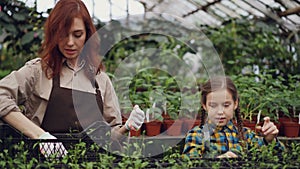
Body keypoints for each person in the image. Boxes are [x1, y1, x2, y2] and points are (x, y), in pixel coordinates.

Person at [0, 0, 144, 157]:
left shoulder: (100, 80)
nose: (70, 43)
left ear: (88, 35)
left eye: (77, 35)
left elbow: (110, 138)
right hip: (42, 162)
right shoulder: (38, 71)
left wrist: (126, 127)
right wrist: (40, 136)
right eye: (63, 35)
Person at [182, 76, 285, 158]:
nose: (220, 112)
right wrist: (218, 162)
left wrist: (270, 140)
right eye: (213, 105)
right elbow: (190, 163)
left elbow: (281, 156)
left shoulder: (246, 135)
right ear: (204, 106)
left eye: (226, 105)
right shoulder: (197, 135)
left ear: (235, 104)